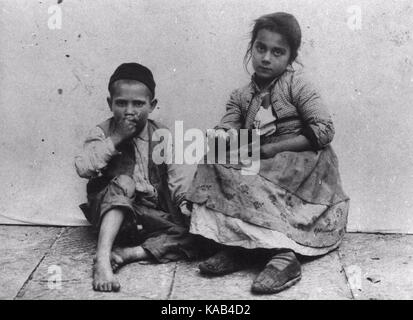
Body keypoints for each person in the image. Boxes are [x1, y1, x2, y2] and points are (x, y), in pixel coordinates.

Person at [185, 12, 350, 294]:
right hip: (260, 157)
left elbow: (324, 129)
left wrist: (271, 148)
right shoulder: (241, 95)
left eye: (278, 52)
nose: (266, 58)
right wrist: (223, 134)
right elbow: (230, 124)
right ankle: (239, 246)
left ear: (291, 57)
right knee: (213, 160)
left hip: (300, 163)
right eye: (261, 48)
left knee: (265, 169)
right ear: (252, 48)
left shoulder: (298, 86)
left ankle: (283, 257)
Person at [75, 63, 196, 292]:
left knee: (199, 233)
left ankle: (128, 254)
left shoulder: (162, 135)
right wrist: (116, 139)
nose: (129, 111)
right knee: (125, 182)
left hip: (148, 217)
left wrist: (184, 204)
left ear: (152, 105)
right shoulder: (103, 132)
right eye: (121, 103)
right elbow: (83, 167)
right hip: (113, 215)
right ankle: (102, 259)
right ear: (110, 103)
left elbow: (177, 177)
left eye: (138, 104)